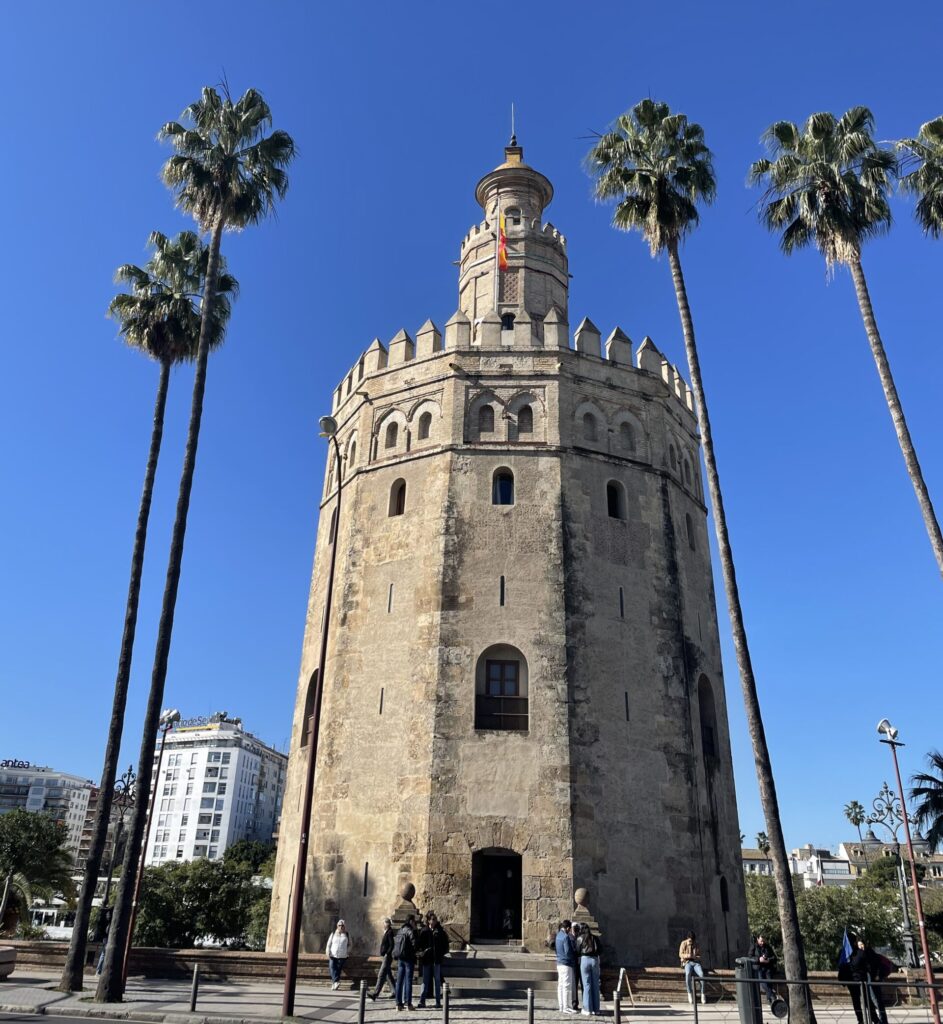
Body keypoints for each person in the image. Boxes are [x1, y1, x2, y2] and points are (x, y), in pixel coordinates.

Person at [848, 937, 889, 1024]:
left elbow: (875, 964)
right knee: (871, 1000)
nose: (861, 947)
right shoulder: (861, 953)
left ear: (865, 944)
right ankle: (877, 1020)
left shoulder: (869, 953)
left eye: (862, 944)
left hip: (874, 978)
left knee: (877, 1000)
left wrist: (877, 975)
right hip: (868, 978)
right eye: (859, 945)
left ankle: (883, 1020)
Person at [417, 911, 449, 1009]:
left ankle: (438, 1002)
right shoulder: (424, 931)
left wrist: (440, 954)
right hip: (427, 960)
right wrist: (423, 952)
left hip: (436, 960)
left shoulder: (440, 931)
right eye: (433, 919)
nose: (434, 921)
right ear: (428, 920)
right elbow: (420, 945)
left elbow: (445, 945)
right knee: (425, 981)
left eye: (435, 919)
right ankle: (422, 1001)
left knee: (437, 981)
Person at [576, 922, 601, 1017]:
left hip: (584, 959)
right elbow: (600, 950)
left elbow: (577, 950)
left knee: (586, 984)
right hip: (594, 959)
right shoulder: (595, 938)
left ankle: (587, 1008)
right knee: (595, 984)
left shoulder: (580, 938)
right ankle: (596, 1009)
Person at [368, 917, 396, 1001]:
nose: (384, 925)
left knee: (381, 975)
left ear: (387, 924)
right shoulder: (387, 932)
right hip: (385, 956)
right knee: (388, 975)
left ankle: (375, 994)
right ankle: (395, 992)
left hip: (387, 957)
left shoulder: (390, 932)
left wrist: (387, 953)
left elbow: (392, 944)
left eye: (385, 923)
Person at [393, 914, 417, 1011]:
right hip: (408, 959)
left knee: (399, 981)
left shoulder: (400, 930)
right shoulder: (410, 931)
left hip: (400, 958)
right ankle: (408, 1003)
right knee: (408, 981)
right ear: (411, 921)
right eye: (414, 921)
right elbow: (414, 943)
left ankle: (398, 1004)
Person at [555, 919, 578, 1014]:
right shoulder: (565, 937)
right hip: (566, 963)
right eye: (569, 929)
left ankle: (561, 1006)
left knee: (560, 985)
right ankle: (566, 1007)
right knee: (566, 986)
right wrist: (573, 958)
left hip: (559, 962)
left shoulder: (558, 936)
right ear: (568, 928)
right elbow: (568, 952)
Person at [750, 934, 778, 1003]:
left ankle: (769, 999)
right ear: (757, 939)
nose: (762, 943)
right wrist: (758, 959)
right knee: (763, 982)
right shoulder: (754, 946)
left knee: (769, 982)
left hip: (767, 968)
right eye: (761, 941)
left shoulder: (767, 947)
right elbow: (750, 957)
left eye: (763, 941)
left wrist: (768, 959)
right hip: (758, 968)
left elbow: (774, 958)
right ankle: (772, 995)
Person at [679, 931, 705, 1005]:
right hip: (687, 962)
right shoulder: (683, 943)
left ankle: (703, 994)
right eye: (690, 940)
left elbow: (700, 956)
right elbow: (680, 954)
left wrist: (695, 957)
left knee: (702, 974)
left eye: (692, 940)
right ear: (687, 938)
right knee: (687, 974)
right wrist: (688, 956)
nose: (691, 942)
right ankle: (689, 993)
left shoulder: (696, 944)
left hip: (696, 963)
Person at [325, 919, 350, 991]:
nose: (341, 927)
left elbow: (350, 944)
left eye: (342, 925)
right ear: (337, 926)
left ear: (344, 926)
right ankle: (336, 982)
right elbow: (329, 943)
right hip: (333, 954)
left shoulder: (347, 934)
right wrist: (327, 951)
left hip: (342, 955)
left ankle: (334, 983)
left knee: (338, 970)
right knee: (331, 967)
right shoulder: (333, 933)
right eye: (339, 925)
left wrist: (347, 951)